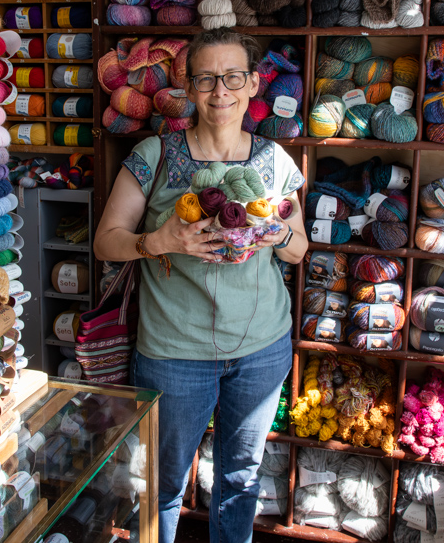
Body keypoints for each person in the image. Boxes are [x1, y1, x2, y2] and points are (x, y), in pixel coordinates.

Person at [94, 28, 307, 543]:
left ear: (254, 84)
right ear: (189, 88)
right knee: (165, 480)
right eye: (207, 78)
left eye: (233, 77)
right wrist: (160, 240)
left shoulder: (275, 160)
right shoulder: (155, 155)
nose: (221, 91)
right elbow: (106, 241)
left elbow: (298, 249)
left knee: (240, 479)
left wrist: (275, 232)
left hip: (261, 347)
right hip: (174, 351)